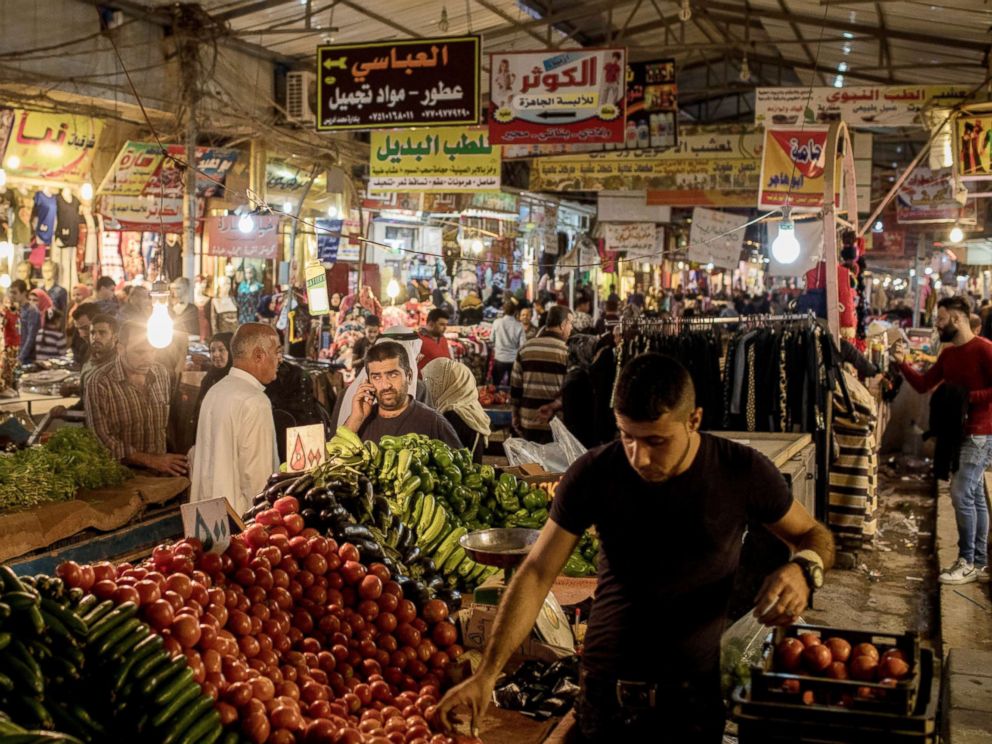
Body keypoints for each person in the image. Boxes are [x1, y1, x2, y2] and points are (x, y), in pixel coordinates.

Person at [438, 354, 836, 742]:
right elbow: (537, 572)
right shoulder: (594, 473)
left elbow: (813, 535)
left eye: (656, 440)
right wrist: (487, 674)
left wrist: (804, 569)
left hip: (691, 703)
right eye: (627, 436)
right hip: (604, 697)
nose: (639, 456)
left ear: (694, 420)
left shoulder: (739, 470)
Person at [893, 295, 992, 584]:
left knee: (961, 493)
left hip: (980, 433)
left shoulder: (984, 349)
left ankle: (967, 560)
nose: (937, 324)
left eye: (941, 318)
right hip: (955, 433)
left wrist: (964, 399)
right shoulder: (948, 354)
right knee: (973, 496)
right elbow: (924, 385)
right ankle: (979, 562)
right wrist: (902, 364)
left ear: (957, 318)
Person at [191, 323, 280, 515]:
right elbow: (258, 480)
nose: (279, 359)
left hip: (208, 518)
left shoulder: (216, 390)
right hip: (241, 523)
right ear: (259, 355)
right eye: (276, 352)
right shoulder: (255, 402)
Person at [85, 321, 188, 476]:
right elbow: (101, 439)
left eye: (152, 351)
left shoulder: (161, 374)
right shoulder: (100, 382)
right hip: (121, 477)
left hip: (161, 475)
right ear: (120, 349)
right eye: (139, 352)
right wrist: (150, 460)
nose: (148, 359)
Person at [342, 340, 461, 448]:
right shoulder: (359, 420)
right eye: (377, 377)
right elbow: (333, 461)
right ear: (368, 381)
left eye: (393, 375)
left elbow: (460, 467)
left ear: (409, 376)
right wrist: (356, 419)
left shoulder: (433, 422)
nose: (386, 385)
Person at [510, 305, 572, 444]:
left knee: (530, 464)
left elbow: (515, 387)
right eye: (570, 324)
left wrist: (514, 416)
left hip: (528, 420)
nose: (571, 328)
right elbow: (569, 390)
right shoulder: (566, 351)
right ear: (562, 325)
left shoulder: (526, 348)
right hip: (555, 423)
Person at [421, 358, 492, 463]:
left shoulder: (451, 416)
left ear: (446, 384)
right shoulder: (471, 408)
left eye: (431, 381)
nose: (427, 386)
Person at [193, 332, 234, 421]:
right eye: (212, 350)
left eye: (221, 350)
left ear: (231, 352)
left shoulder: (237, 380)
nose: (215, 354)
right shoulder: (209, 378)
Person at [491, 302, 525, 386]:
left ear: (503, 311)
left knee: (496, 384)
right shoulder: (519, 326)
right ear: (515, 312)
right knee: (512, 385)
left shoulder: (496, 322)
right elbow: (523, 345)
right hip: (513, 360)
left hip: (499, 358)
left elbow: (491, 339)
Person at [7, 280, 40, 366]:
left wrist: (21, 357)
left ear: (24, 293)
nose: (12, 296)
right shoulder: (16, 309)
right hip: (14, 353)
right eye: (11, 292)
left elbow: (31, 336)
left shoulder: (32, 310)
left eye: (15, 293)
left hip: (27, 357)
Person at [32, 288, 67, 361]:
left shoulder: (40, 332)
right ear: (57, 321)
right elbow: (63, 355)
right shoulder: (59, 336)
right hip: (52, 369)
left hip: (39, 365)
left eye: (35, 300)